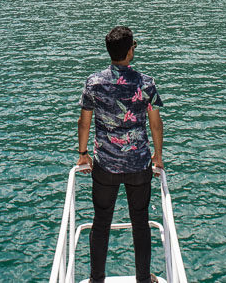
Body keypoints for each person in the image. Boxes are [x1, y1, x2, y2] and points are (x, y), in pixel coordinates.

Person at [77, 26, 164, 283]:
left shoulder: (94, 83)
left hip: (104, 166)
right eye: (134, 45)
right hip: (138, 166)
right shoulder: (145, 83)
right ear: (129, 51)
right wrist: (158, 156)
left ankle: (96, 279)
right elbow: (155, 123)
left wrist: (83, 154)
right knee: (141, 223)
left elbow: (84, 122)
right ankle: (143, 279)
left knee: (101, 222)